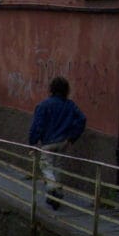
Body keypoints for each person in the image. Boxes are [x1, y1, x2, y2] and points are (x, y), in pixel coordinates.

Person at [28, 76, 86, 210]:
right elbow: (82, 119)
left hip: (48, 142)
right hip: (63, 142)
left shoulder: (44, 105)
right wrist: (72, 137)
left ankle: (52, 186)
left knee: (46, 166)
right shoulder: (70, 105)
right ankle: (56, 195)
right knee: (58, 167)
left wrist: (32, 143)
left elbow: (37, 126)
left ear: (51, 89)